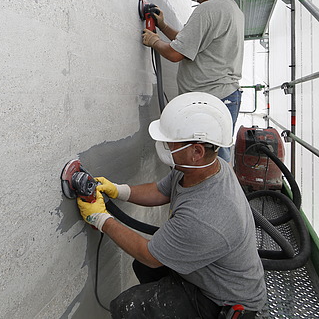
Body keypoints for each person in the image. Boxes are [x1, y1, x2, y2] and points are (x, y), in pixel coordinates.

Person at [77, 92, 267, 319]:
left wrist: (100, 219)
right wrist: (120, 190)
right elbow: (160, 190)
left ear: (196, 151)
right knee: (143, 267)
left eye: (170, 141)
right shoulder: (204, 168)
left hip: (224, 302)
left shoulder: (206, 216)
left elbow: (150, 254)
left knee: (127, 307)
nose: (165, 144)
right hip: (206, 275)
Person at [142, 0, 244, 162]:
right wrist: (163, 26)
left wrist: (154, 40)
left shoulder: (208, 10)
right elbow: (191, 43)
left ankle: (215, 197)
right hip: (224, 98)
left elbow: (176, 53)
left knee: (209, 166)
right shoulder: (231, 10)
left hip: (212, 100)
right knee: (216, 163)